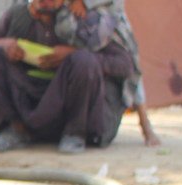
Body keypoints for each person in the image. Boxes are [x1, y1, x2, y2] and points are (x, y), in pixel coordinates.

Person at [0, 0, 135, 154]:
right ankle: (14, 130)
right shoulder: (19, 15)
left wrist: (73, 53)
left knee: (84, 61)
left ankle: (75, 134)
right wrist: (5, 44)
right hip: (29, 97)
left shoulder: (83, 19)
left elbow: (124, 65)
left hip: (72, 101)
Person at [56, 0, 161, 147]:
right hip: (74, 20)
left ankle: (145, 124)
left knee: (130, 64)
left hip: (109, 21)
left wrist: (85, 3)